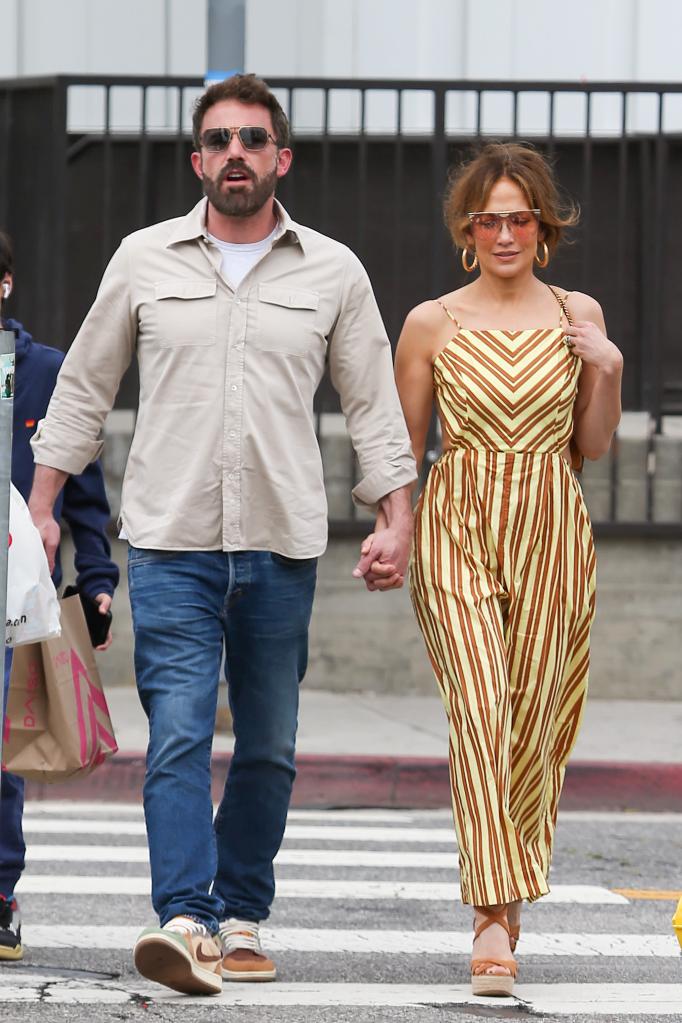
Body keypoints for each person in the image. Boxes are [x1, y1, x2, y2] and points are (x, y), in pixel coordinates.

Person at [28, 74, 416, 996]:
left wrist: (395, 517)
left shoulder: (333, 270)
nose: (234, 152)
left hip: (282, 545)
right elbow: (82, 390)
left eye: (252, 138)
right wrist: (42, 507)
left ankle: (241, 912)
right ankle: (185, 918)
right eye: (218, 139)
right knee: (178, 737)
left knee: (272, 744)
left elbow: (372, 404)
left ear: (281, 157)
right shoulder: (142, 259)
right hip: (170, 542)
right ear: (196, 159)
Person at [395, 143, 622, 998]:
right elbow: (401, 444)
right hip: (459, 523)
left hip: (554, 526)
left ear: (543, 227)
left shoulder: (577, 312)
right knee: (483, 705)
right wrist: (393, 529)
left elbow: (593, 444)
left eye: (518, 217)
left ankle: (512, 875)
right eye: (486, 218)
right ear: (466, 229)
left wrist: (609, 366)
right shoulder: (431, 321)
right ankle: (492, 911)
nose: (502, 232)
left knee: (539, 721)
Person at [0, 230, 119, 962]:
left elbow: (83, 491)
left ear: (6, 283)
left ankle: (0, 888)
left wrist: (97, 579)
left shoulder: (46, 372)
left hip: (15, 594)